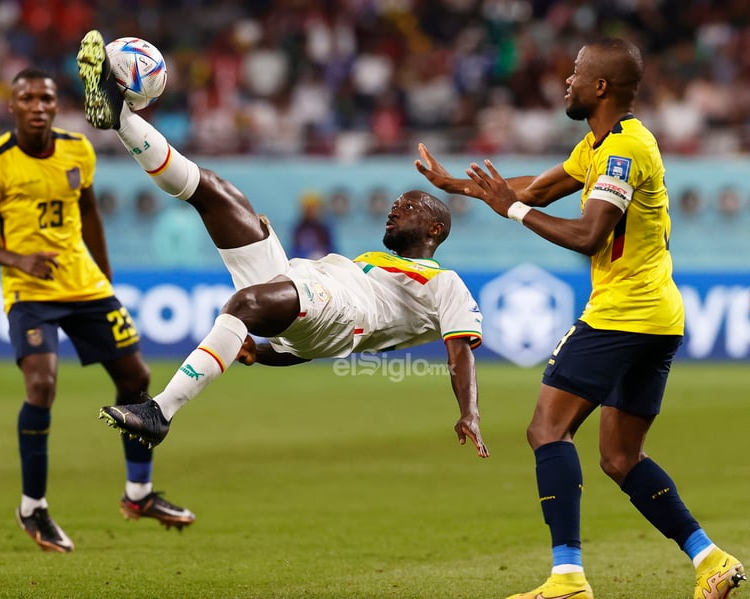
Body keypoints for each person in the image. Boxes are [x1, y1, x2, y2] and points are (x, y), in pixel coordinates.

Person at [415, 38, 745, 599]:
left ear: (600, 87)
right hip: (657, 318)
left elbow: (588, 231)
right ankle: (710, 560)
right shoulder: (600, 145)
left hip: (624, 314)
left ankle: (567, 578)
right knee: (620, 457)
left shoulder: (625, 151)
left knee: (547, 429)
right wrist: (460, 187)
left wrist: (513, 211)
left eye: (575, 73)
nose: (566, 81)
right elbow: (537, 188)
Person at [75, 29, 488, 460]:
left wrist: (470, 412)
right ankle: (118, 115)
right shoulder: (375, 265)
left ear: (435, 230)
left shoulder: (446, 284)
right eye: (397, 203)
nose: (394, 209)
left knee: (242, 304)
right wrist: (265, 353)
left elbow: (458, 350)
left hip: (346, 310)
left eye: (408, 207)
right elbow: (309, 340)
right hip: (305, 282)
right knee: (216, 191)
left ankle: (160, 410)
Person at [0, 67, 195, 553]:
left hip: (84, 286)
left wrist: (105, 278)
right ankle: (33, 507)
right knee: (42, 385)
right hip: (30, 290)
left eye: (46, 98)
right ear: (13, 107)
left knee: (136, 379)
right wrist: (17, 258)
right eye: (28, 99)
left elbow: (88, 212)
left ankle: (140, 495)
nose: (39, 106)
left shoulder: (77, 149)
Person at [290, 190, 336, 259]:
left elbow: (332, 250)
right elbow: (294, 250)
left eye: (313, 208)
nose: (311, 211)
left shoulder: (324, 228)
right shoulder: (299, 228)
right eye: (308, 208)